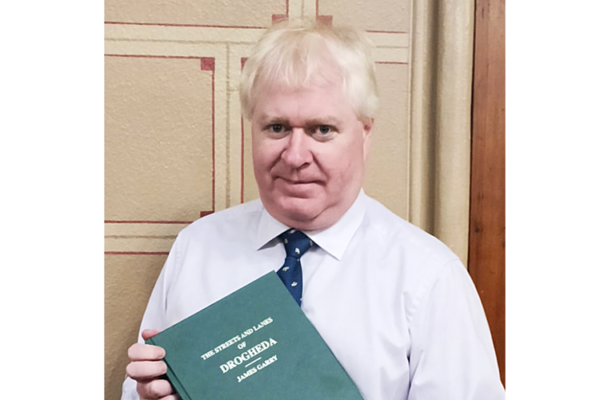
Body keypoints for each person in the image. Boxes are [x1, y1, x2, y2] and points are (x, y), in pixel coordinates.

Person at [121, 19, 505, 400]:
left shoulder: (428, 277)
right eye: (276, 128)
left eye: (322, 130)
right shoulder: (195, 249)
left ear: (365, 134)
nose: (295, 156)